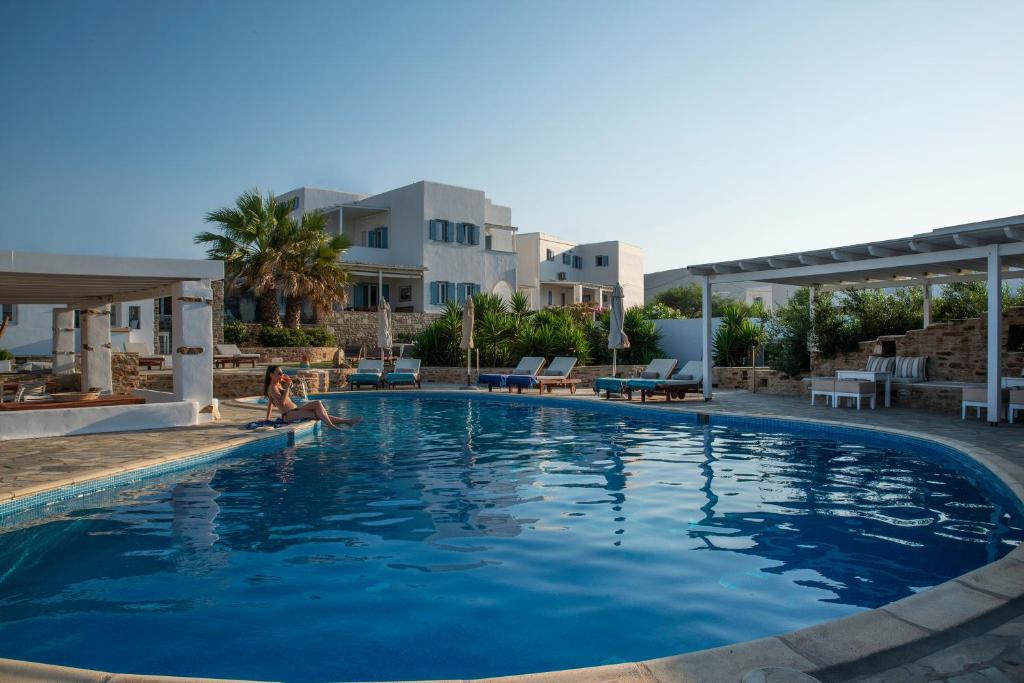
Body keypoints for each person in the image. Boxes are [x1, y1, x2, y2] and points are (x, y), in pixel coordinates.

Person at [263, 365, 363, 429]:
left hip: (295, 410)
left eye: (282, 372)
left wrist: (267, 418)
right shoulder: (272, 388)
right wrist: (288, 388)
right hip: (288, 415)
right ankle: (333, 425)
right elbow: (282, 403)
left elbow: (270, 403)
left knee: (317, 404)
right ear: (272, 375)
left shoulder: (278, 385)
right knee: (317, 413)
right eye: (279, 373)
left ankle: (345, 422)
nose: (282, 375)